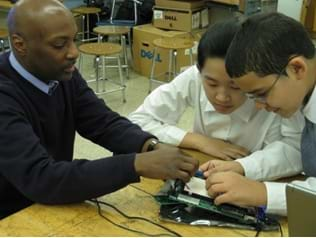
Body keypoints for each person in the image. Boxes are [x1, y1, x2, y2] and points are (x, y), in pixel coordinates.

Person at [0, 0, 199, 219]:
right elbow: (41, 177)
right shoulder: (5, 95)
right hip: (12, 216)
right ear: (20, 44)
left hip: (50, 203)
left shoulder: (60, 72)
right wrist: (134, 165)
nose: (74, 52)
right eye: (59, 45)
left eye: (73, 40)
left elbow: (102, 122)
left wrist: (150, 146)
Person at [128, 20, 304, 196]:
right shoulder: (194, 78)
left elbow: (293, 151)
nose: (221, 97)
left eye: (235, 87)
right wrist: (199, 141)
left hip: (257, 184)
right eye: (211, 84)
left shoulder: (271, 95)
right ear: (199, 71)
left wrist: (243, 167)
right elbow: (137, 121)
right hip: (202, 171)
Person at [204, 12, 315, 216]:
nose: (260, 106)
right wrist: (242, 167)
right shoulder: (300, 93)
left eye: (262, 94)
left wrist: (263, 194)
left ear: (297, 69)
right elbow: (294, 148)